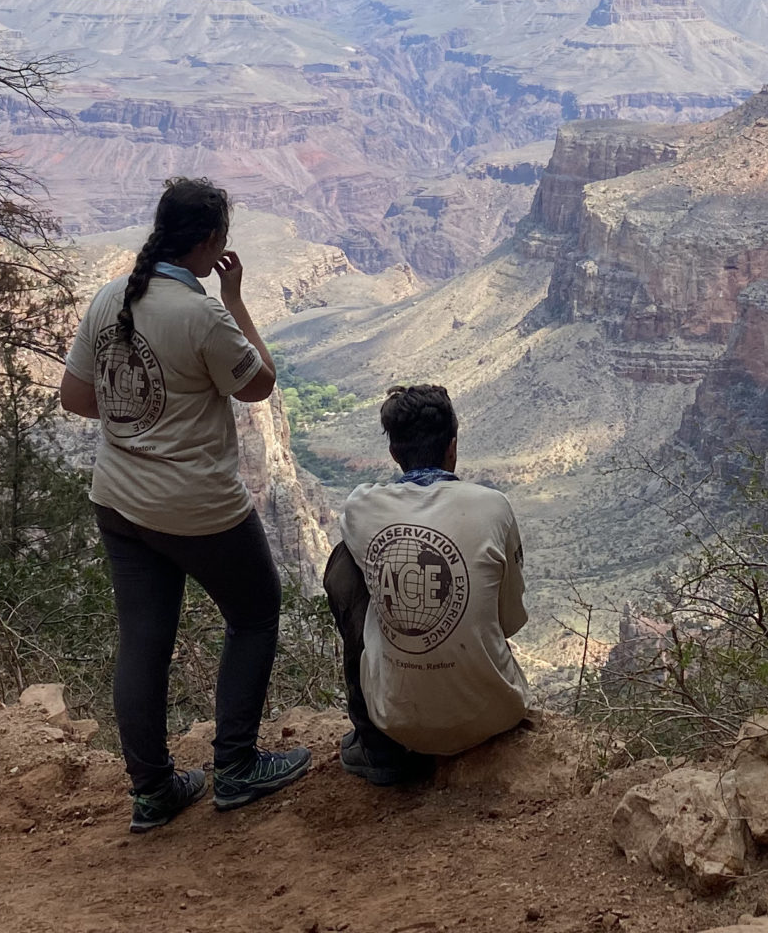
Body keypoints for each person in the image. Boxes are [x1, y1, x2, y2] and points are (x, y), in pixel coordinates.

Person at [59, 176, 314, 831]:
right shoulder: (201, 314)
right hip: (198, 507)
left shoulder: (111, 297)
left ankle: (152, 792)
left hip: (118, 501)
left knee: (143, 641)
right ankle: (234, 769)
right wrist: (235, 299)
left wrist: (138, 426)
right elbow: (260, 384)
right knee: (255, 613)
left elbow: (77, 399)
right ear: (209, 243)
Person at [325, 383, 529, 785]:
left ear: (393, 453)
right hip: (496, 714)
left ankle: (375, 745)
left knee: (344, 563)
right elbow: (510, 622)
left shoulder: (359, 507)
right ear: (452, 445)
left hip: (396, 720)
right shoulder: (494, 506)